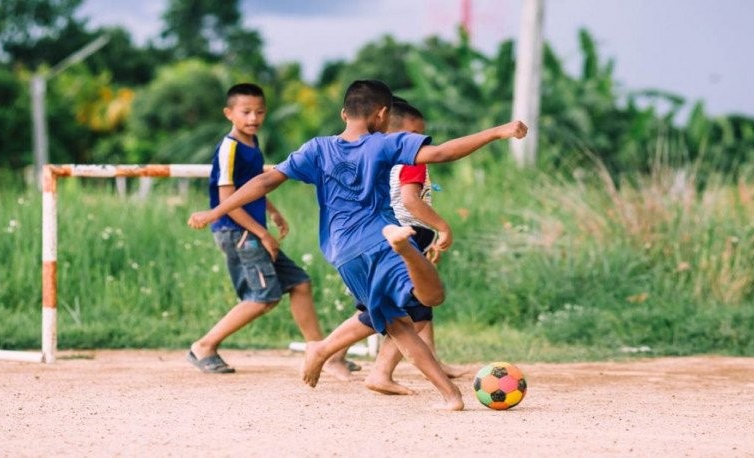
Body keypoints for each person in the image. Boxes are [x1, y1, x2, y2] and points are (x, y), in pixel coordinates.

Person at [188, 79, 528, 410]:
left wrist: (216, 211)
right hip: (380, 236)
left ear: (343, 113)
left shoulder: (316, 148)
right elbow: (440, 153)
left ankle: (449, 395)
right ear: (382, 115)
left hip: (341, 252)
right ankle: (406, 250)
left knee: (397, 323)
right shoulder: (384, 143)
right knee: (432, 296)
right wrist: (497, 131)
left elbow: (264, 181)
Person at [187, 82, 351, 380]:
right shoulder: (230, 147)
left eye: (259, 112)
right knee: (263, 296)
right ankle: (203, 346)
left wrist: (273, 212)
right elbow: (228, 201)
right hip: (237, 231)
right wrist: (262, 233)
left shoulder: (252, 143)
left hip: (253, 229)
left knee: (299, 283)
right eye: (246, 112)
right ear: (229, 113)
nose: (253, 118)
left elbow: (252, 186)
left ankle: (321, 351)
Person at [361, 98, 467, 396]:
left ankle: (427, 361)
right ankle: (342, 356)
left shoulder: (375, 159)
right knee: (411, 310)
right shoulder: (412, 160)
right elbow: (410, 201)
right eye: (415, 136)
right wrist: (441, 227)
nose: (420, 143)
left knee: (413, 305)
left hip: (382, 232)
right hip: (408, 234)